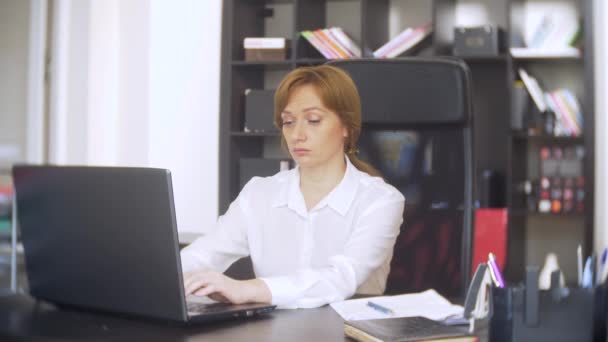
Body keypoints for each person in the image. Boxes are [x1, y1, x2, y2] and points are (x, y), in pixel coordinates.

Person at [181, 64, 405, 309]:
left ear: (346, 127)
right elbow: (204, 255)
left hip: (346, 332)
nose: (297, 134)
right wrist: (164, 280)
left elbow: (342, 278)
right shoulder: (258, 194)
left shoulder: (380, 200)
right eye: (288, 122)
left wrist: (248, 288)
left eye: (313, 120)